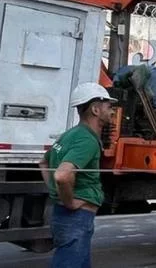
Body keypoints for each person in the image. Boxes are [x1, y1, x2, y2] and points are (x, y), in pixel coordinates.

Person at [39, 82, 118, 268]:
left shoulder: (71, 134)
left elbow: (43, 162)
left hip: (67, 216)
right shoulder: (86, 140)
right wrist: (69, 202)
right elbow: (62, 175)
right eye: (108, 106)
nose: (112, 111)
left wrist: (56, 193)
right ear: (95, 110)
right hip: (75, 217)